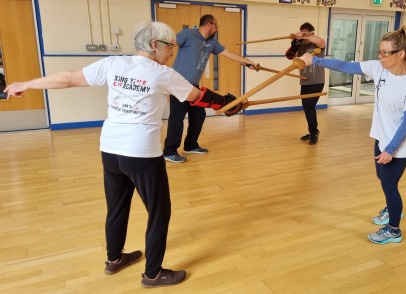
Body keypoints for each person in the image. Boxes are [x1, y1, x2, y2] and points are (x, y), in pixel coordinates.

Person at [3, 21, 240, 288]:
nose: (172, 52)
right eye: (170, 46)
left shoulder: (114, 64)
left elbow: (68, 78)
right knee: (159, 211)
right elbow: (198, 96)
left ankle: (114, 259)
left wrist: (27, 83)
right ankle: (153, 275)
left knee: (116, 207)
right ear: (154, 45)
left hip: (111, 150)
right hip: (141, 154)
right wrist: (228, 104)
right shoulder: (164, 74)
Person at [300, 26, 406, 244]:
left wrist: (390, 149)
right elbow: (345, 66)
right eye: (380, 51)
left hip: (399, 143)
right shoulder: (379, 68)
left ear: (401, 54)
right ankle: (391, 208)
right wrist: (316, 60)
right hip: (380, 135)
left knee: (389, 184)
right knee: (382, 178)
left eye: (385, 52)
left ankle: (394, 229)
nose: (380, 56)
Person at [163, 14, 256, 163]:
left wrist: (247, 62)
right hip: (178, 83)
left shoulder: (212, 43)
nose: (217, 29)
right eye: (216, 26)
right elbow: (169, 45)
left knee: (199, 114)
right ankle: (169, 151)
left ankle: (191, 145)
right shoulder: (187, 34)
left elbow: (229, 54)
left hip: (193, 85)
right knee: (177, 117)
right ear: (208, 24)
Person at [285, 22, 326, 145]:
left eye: (305, 33)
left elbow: (320, 40)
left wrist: (304, 36)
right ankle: (313, 131)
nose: (302, 36)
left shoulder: (318, 44)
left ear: (311, 33)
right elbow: (288, 56)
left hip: (317, 81)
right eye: (301, 33)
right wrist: (294, 45)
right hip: (305, 81)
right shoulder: (301, 46)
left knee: (309, 106)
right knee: (307, 108)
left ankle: (314, 133)